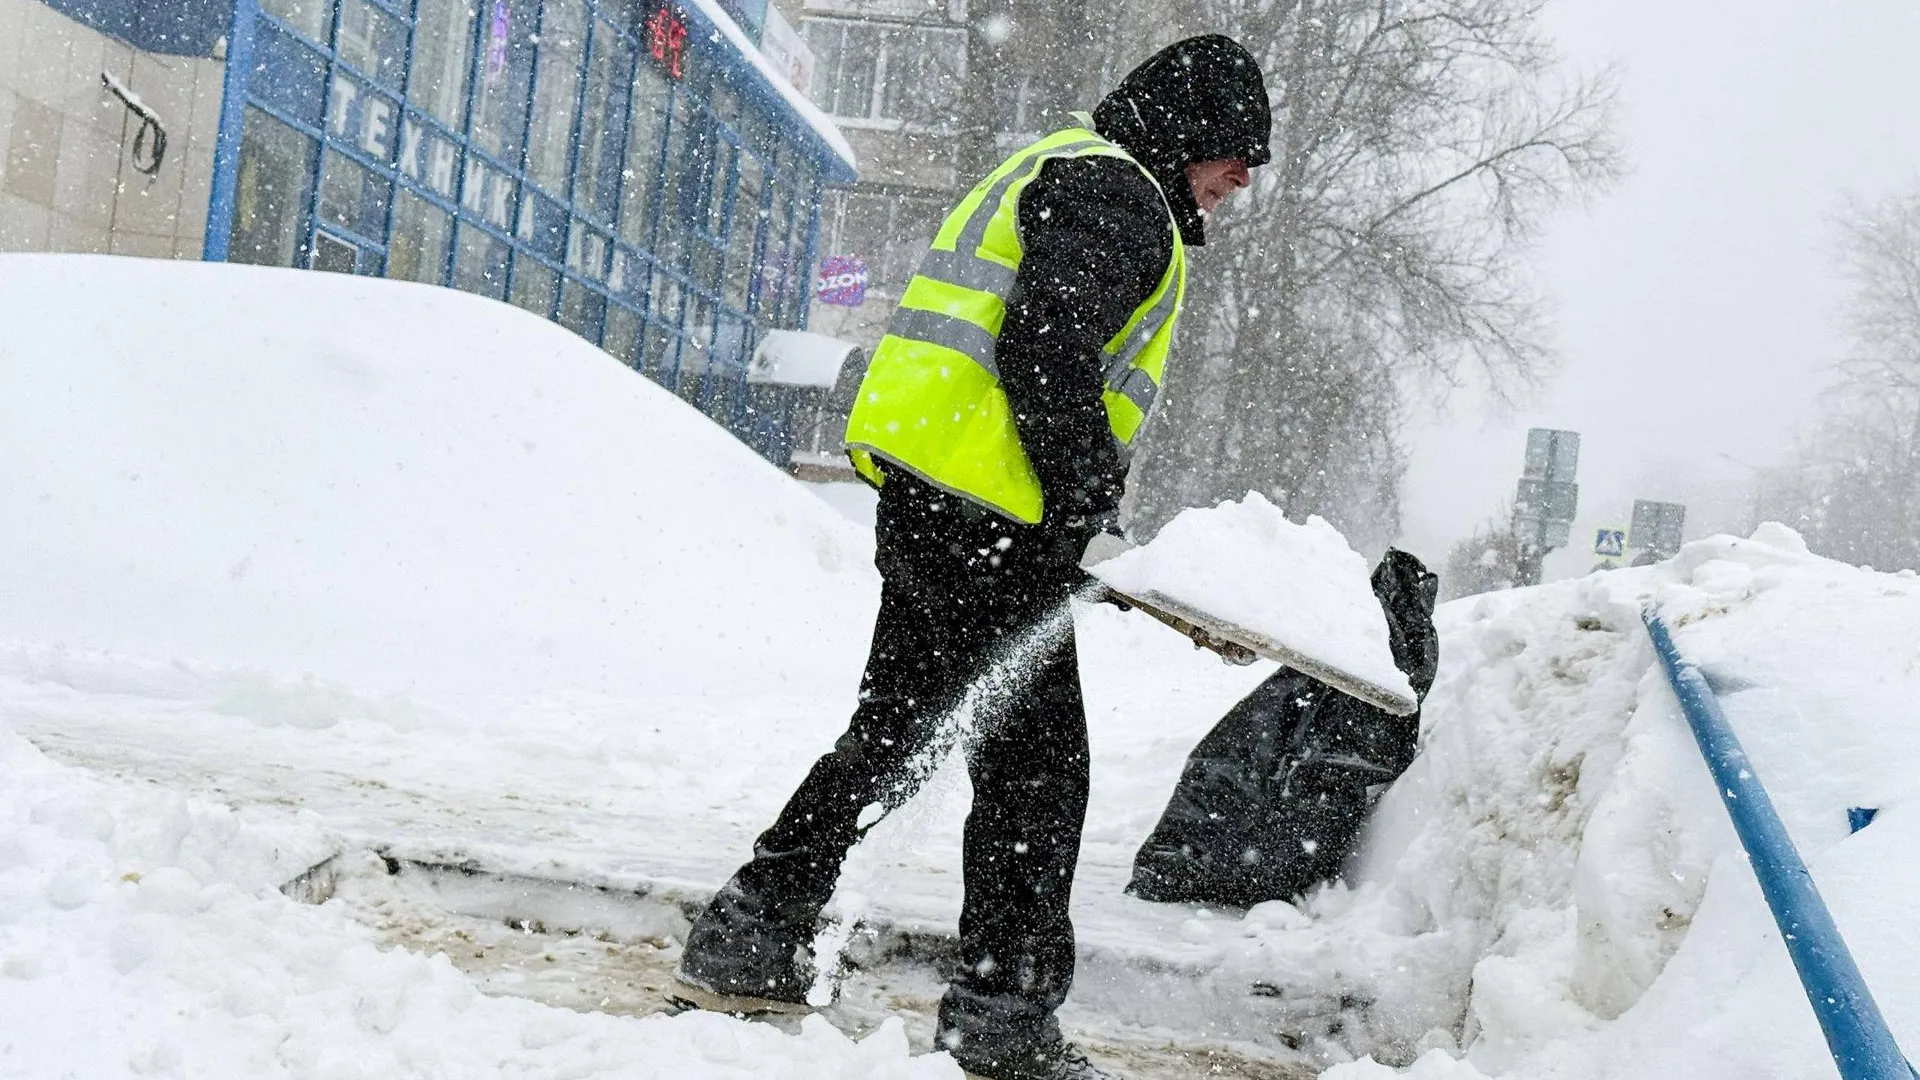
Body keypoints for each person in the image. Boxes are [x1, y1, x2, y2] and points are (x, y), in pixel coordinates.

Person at [673, 35, 1273, 1080]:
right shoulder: (1116, 193)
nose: (1244, 178)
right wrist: (1084, 505)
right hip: (990, 520)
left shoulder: (1068, 169)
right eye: (1236, 153)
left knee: (900, 735)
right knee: (1036, 776)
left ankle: (752, 933)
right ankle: (1000, 1016)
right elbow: (1046, 346)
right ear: (1188, 132)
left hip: (941, 502)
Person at [1126, 550, 1440, 909]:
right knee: (1267, 768)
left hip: (1281, 811)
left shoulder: (1378, 652)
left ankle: (1197, 865)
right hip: (1283, 816)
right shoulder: (1382, 646)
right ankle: (1224, 865)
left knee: (1272, 769)